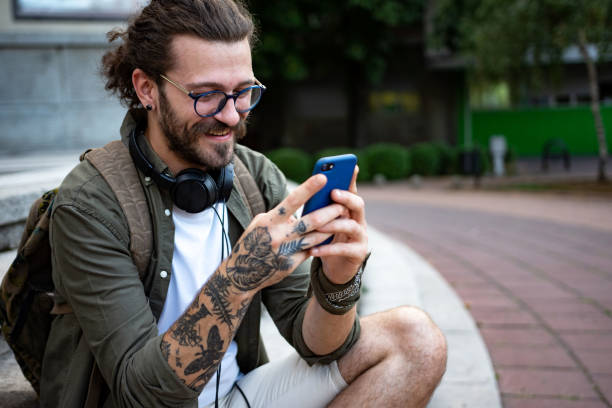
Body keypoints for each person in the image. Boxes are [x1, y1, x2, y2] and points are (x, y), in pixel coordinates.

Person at [41, 0, 447, 406]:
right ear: (148, 88)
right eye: (207, 96)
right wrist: (240, 276)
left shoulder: (253, 177)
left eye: (243, 92)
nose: (233, 116)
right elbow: (142, 395)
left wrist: (338, 281)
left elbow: (320, 347)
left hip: (236, 395)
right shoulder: (90, 204)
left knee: (416, 341)